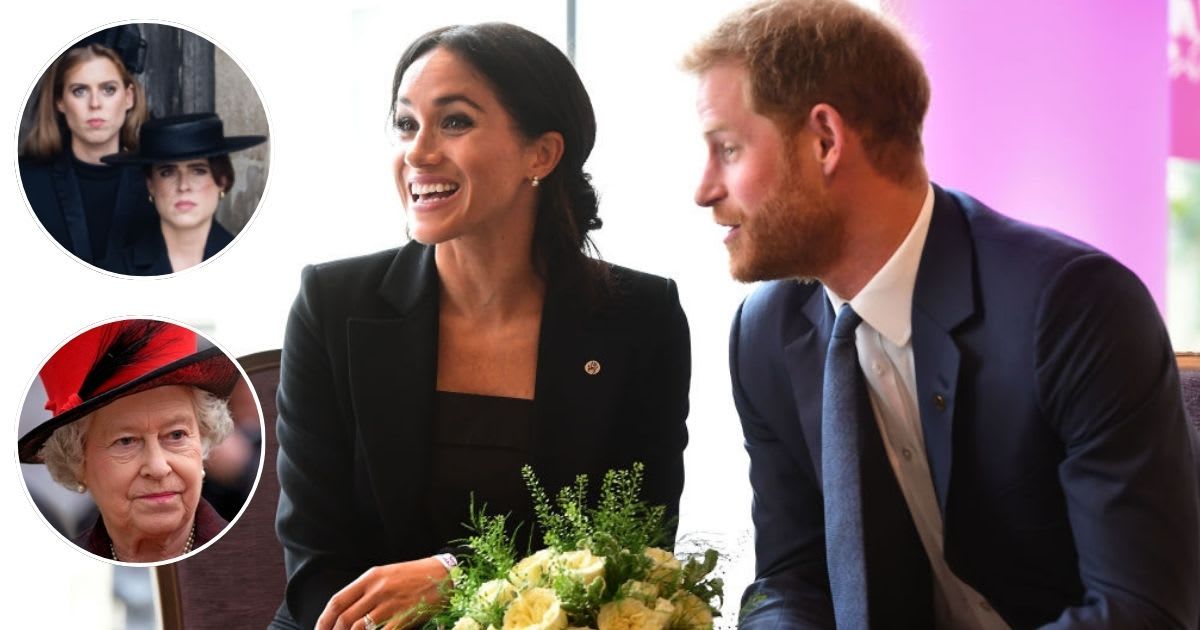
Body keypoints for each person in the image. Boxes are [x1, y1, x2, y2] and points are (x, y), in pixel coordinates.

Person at [684, 0, 1200, 627]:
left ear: (825, 140)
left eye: (729, 149)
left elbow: (1141, 611)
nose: (704, 189)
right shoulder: (765, 332)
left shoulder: (1072, 307)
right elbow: (791, 578)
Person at [272, 22, 691, 630]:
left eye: (455, 122)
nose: (417, 152)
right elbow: (314, 560)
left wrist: (458, 575)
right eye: (406, 124)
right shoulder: (331, 303)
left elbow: (634, 549)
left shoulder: (638, 318)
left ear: (541, 154)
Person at [18, 320, 241, 563]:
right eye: (126, 441)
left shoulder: (251, 558)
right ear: (78, 462)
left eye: (176, 435)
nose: (158, 468)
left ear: (202, 441)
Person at [19, 29, 157, 267]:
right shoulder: (24, 181)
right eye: (80, 90)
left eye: (108, 89)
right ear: (60, 101)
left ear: (129, 97)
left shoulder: (159, 181)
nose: (95, 104)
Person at [98, 113, 267, 275]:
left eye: (198, 171)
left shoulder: (252, 267)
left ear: (222, 181)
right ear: (151, 185)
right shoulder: (115, 270)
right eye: (167, 172)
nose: (183, 186)